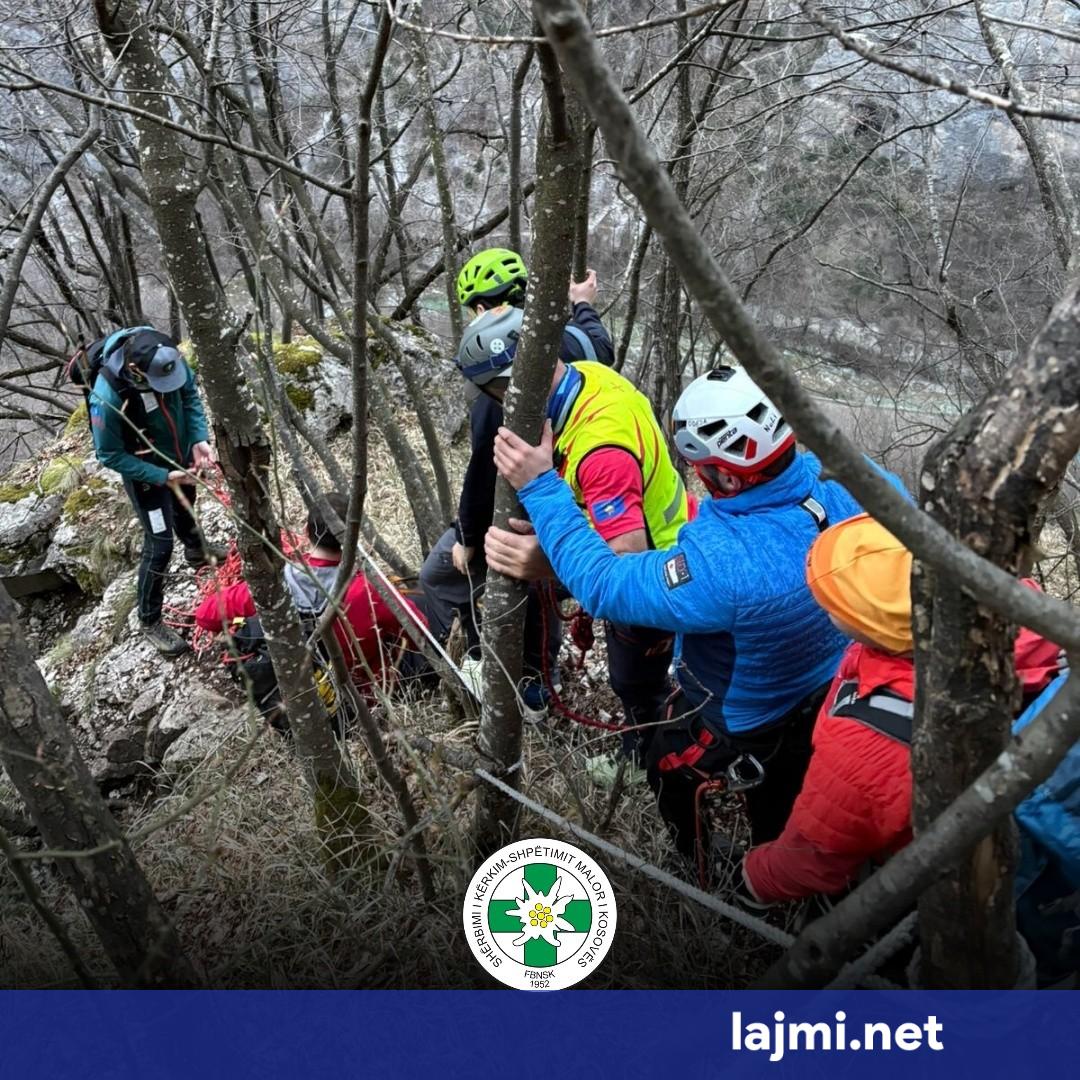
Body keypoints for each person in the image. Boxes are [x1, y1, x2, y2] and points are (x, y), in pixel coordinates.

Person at [493, 365, 906, 857]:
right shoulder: (861, 481)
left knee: (669, 764)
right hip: (840, 682)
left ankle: (699, 863)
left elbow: (606, 584)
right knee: (784, 812)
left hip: (745, 718)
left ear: (725, 475)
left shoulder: (722, 563)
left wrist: (541, 487)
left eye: (704, 471)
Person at [739, 514, 1076, 979]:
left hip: (932, 898)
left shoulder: (867, 742)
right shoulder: (1034, 620)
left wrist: (753, 879)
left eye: (832, 601)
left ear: (865, 626)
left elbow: (812, 860)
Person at [467, 304, 691, 763]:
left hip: (658, 574)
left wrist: (544, 559)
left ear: (507, 387)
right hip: (668, 539)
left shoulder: (599, 446)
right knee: (635, 678)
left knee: (635, 681)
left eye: (493, 392)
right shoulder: (585, 375)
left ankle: (650, 761)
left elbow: (623, 568)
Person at [419, 247, 614, 707]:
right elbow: (599, 344)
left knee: (441, 575)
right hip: (581, 500)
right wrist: (580, 302)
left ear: (485, 308)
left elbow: (485, 466)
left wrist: (467, 535)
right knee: (539, 592)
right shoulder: (571, 342)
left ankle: (480, 666)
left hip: (527, 501)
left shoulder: (500, 378)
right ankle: (540, 681)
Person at [195, 492, 427, 711]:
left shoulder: (274, 588)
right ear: (354, 537)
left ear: (307, 532)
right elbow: (421, 634)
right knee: (427, 600)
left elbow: (205, 615)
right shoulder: (371, 593)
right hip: (364, 696)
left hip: (301, 696)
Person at [89, 327, 226, 658]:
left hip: (178, 453)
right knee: (160, 543)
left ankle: (196, 551)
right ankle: (149, 619)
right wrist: (162, 476)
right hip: (145, 473)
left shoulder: (170, 357)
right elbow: (108, 454)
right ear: (136, 371)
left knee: (186, 504)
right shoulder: (107, 396)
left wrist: (198, 438)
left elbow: (190, 394)